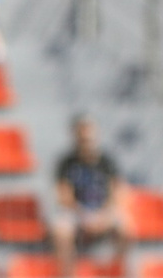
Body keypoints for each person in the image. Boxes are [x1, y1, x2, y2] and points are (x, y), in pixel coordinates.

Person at [51, 115, 129, 269]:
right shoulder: (66, 163)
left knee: (126, 230)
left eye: (89, 138)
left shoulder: (107, 162)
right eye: (82, 138)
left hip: (103, 211)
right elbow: (64, 196)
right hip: (76, 212)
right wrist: (85, 216)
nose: (86, 142)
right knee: (61, 232)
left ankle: (117, 272)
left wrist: (104, 215)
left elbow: (118, 192)